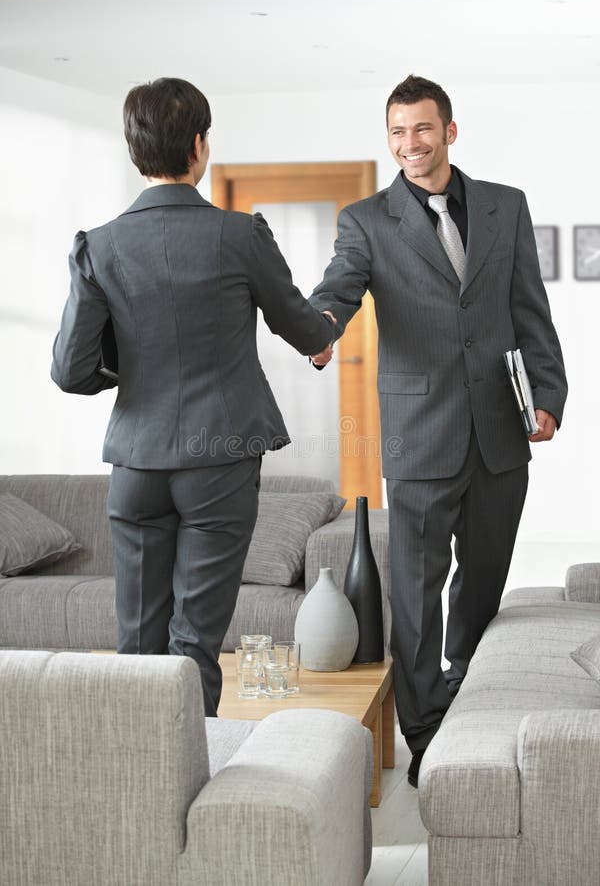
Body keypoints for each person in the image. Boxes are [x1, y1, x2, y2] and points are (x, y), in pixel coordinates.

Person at [309, 74, 567, 787]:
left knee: (482, 585)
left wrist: (549, 392)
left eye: (420, 130)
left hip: (499, 434)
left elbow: (528, 307)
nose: (408, 145)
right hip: (419, 434)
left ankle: (468, 698)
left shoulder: (504, 207)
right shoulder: (366, 220)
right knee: (417, 600)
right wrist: (320, 328)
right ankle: (425, 738)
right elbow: (339, 288)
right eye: (396, 133)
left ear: (448, 132)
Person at [51, 77, 334, 717]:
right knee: (194, 645)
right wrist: (325, 333)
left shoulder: (99, 246)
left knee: (139, 648)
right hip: (221, 459)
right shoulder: (240, 236)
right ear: (200, 147)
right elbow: (307, 329)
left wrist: (132, 373)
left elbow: (71, 370)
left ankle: (140, 792)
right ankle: (188, 791)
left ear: (135, 152)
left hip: (137, 463)